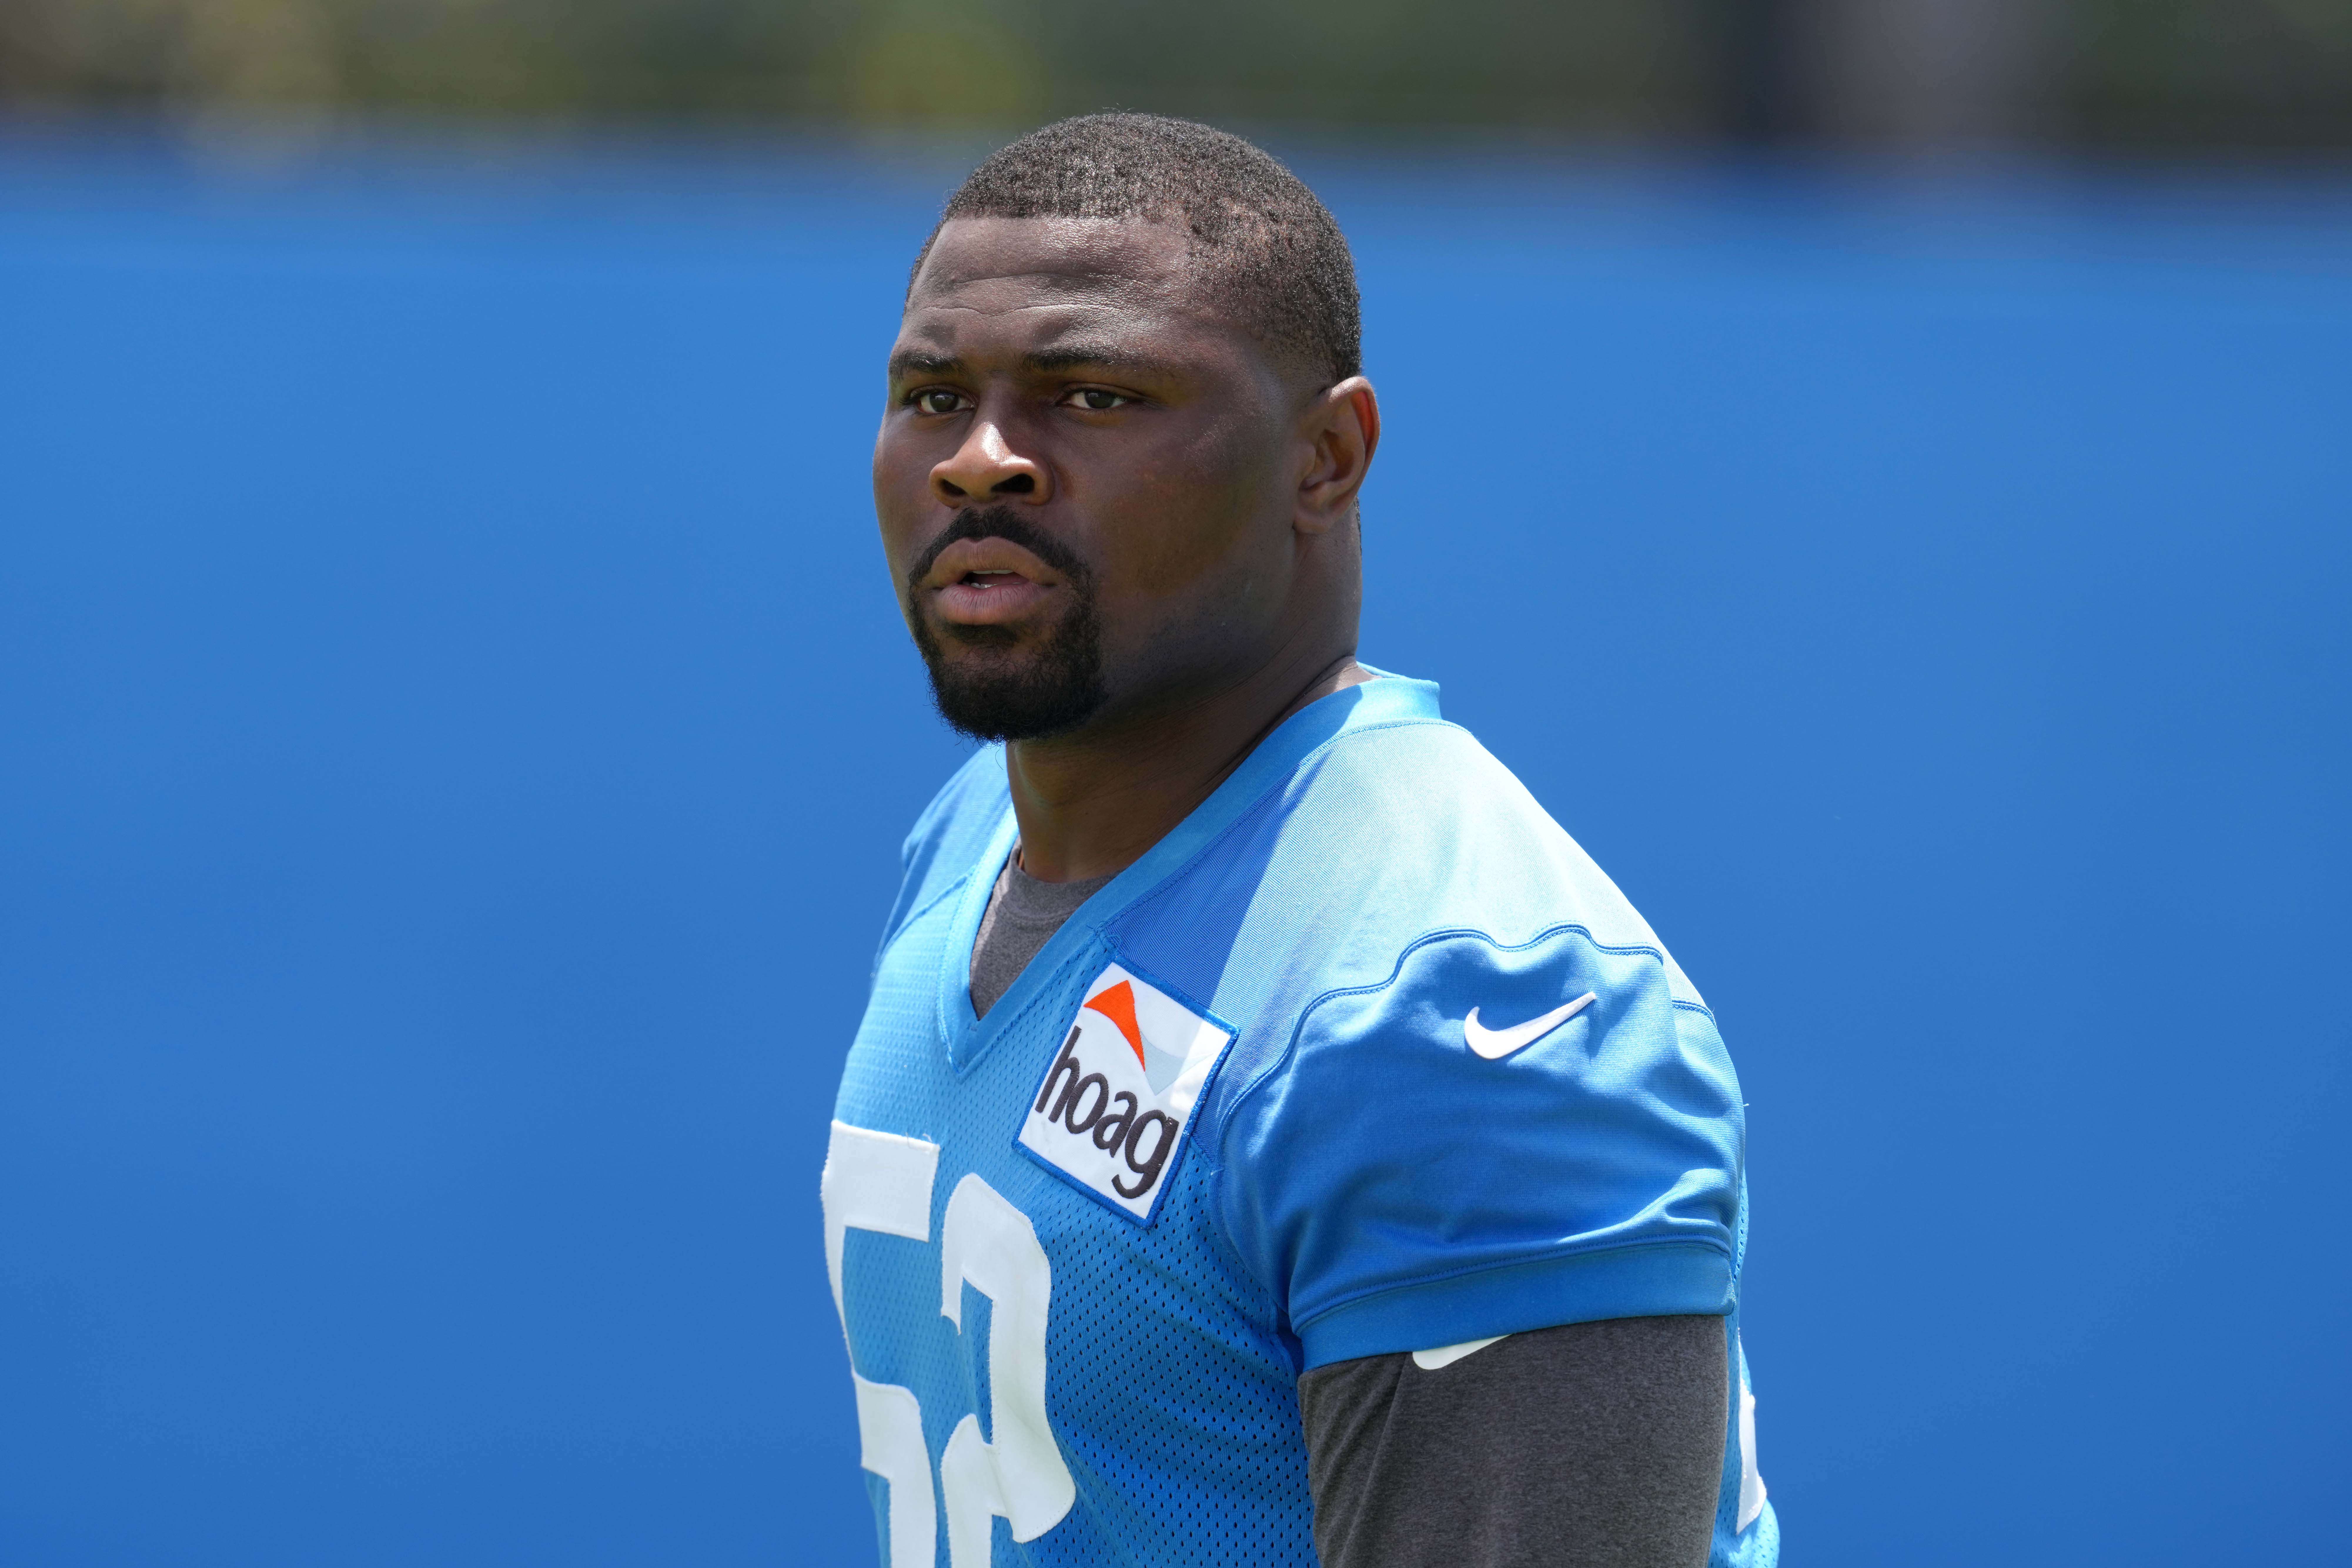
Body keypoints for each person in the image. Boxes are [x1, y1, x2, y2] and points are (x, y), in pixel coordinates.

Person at [821, 113, 1776, 1568]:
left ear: (1326, 457)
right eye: (935, 395)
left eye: (1094, 395)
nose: (985, 460)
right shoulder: (974, 837)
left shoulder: (1454, 1015)